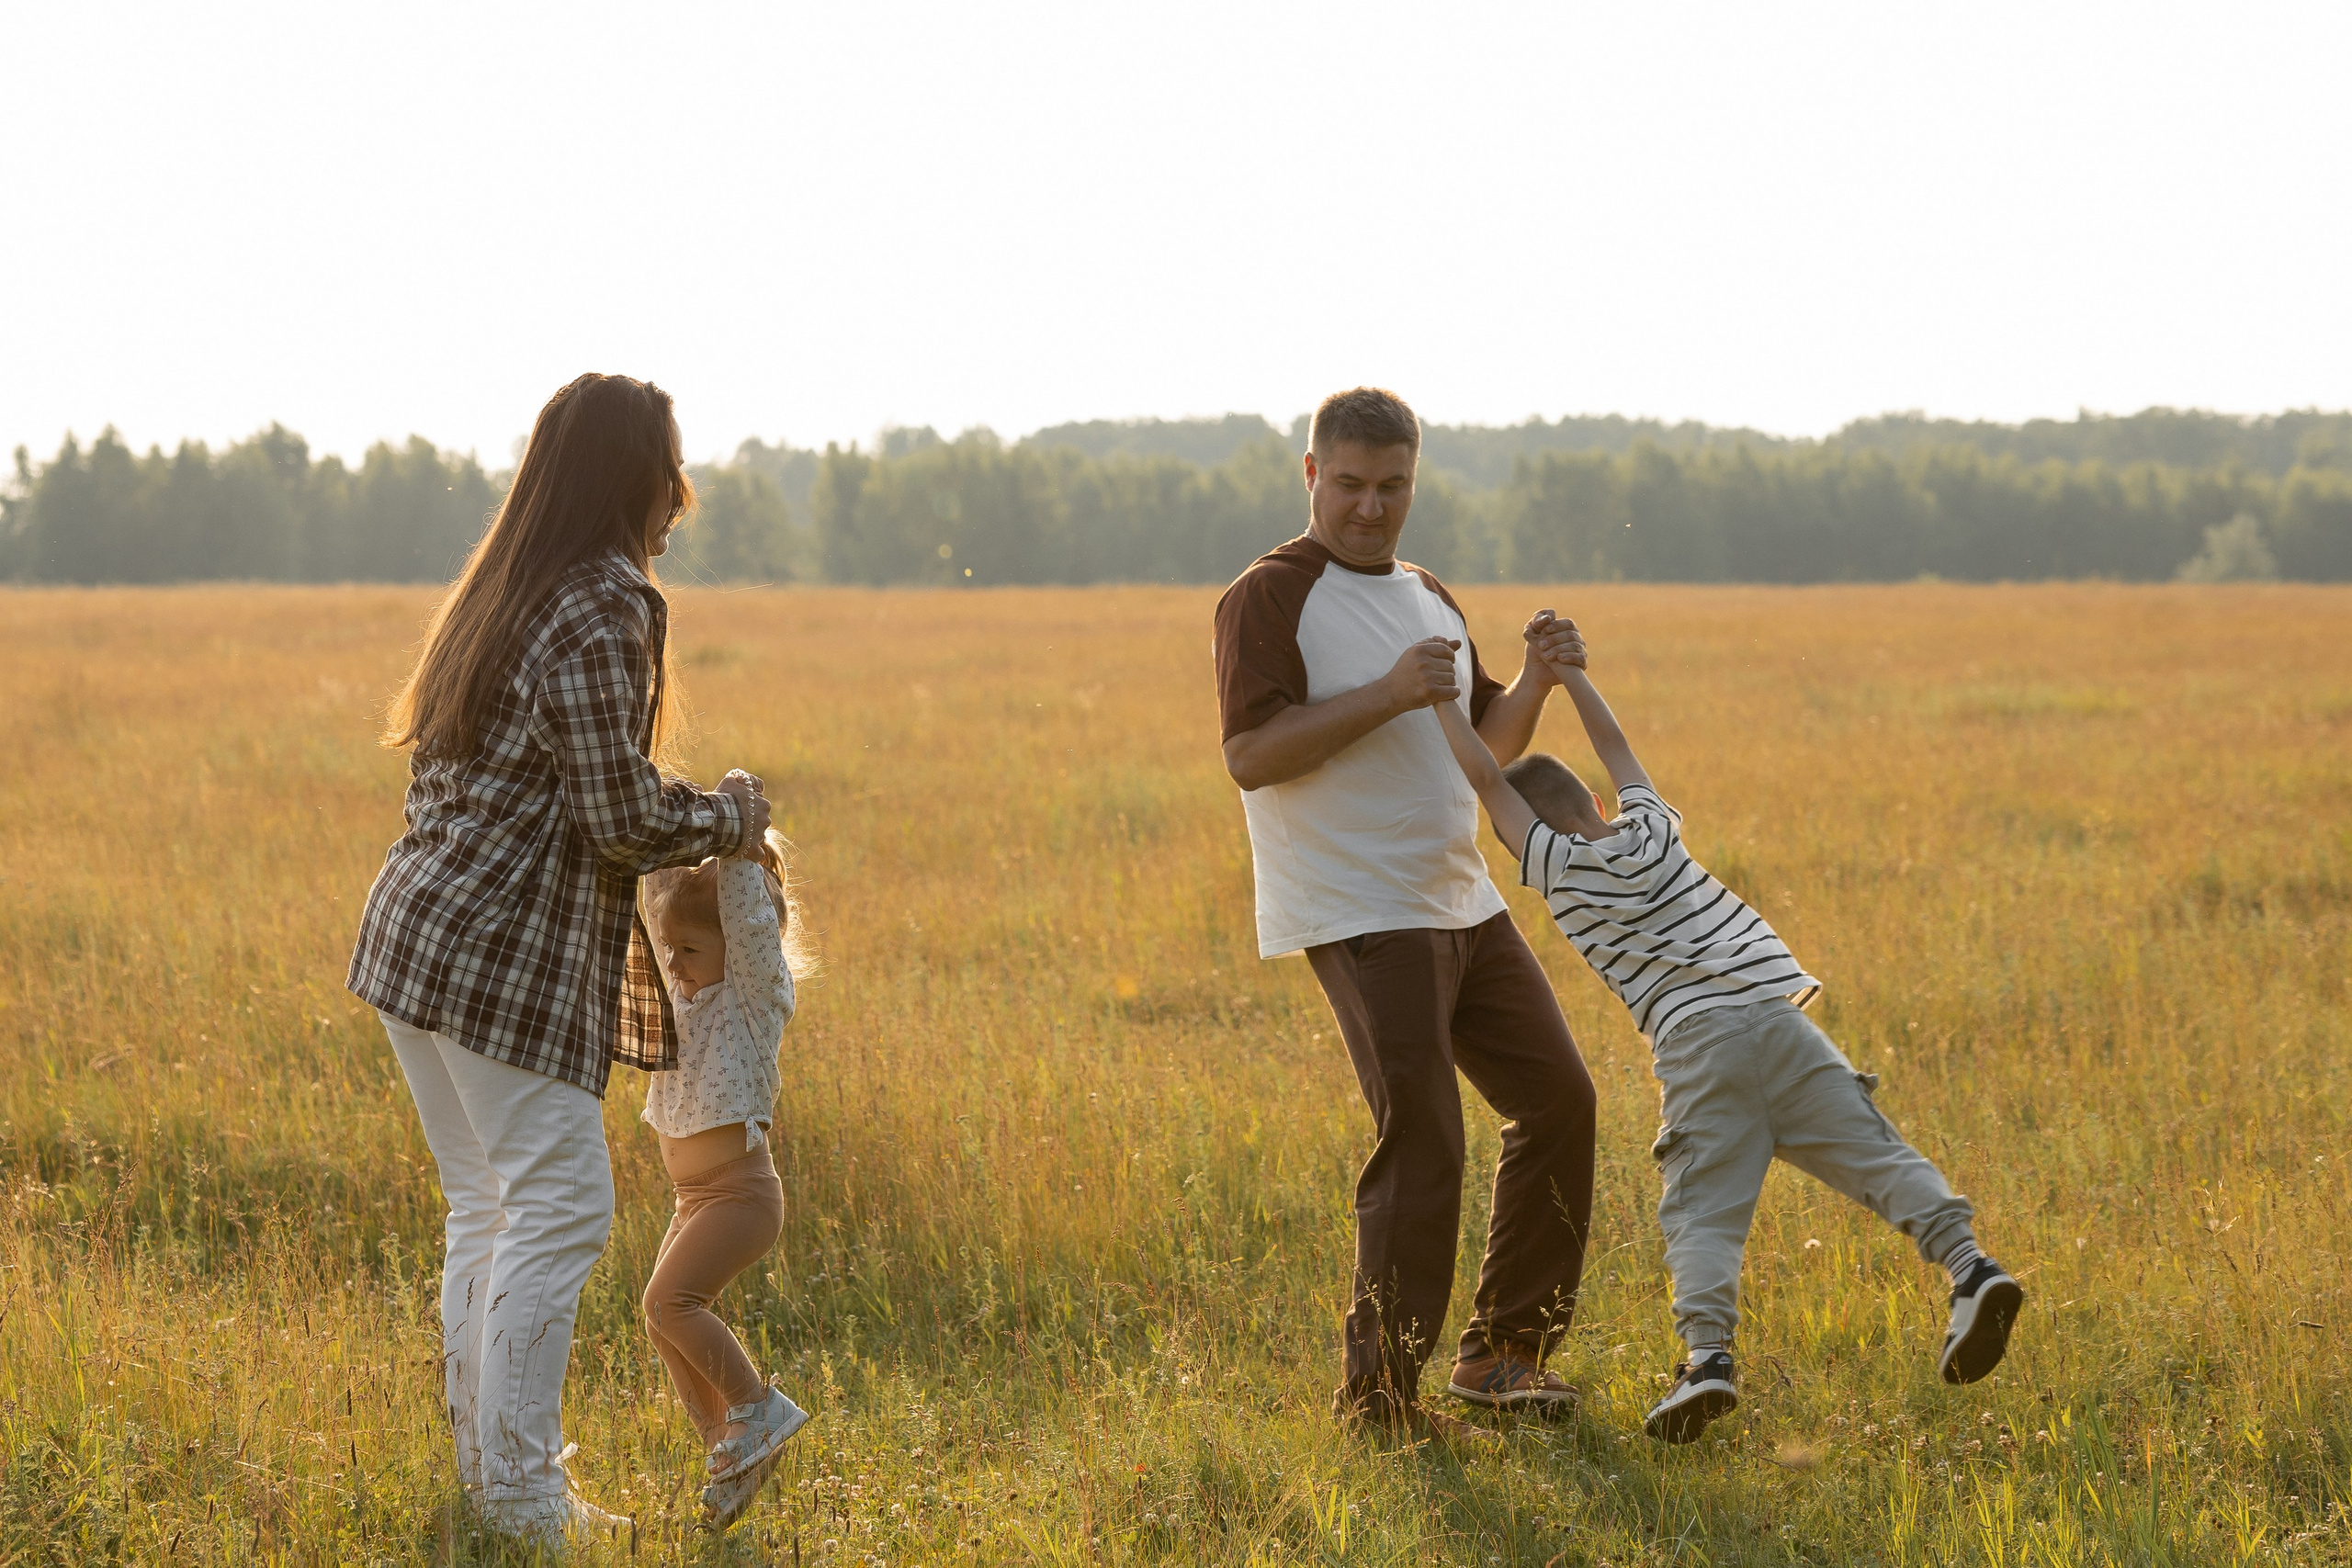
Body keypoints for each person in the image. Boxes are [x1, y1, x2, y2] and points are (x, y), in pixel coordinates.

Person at [348, 372, 772, 1547]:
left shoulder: (507, 586)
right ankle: (526, 1505)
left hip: (418, 933)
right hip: (497, 952)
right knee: (560, 1206)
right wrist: (735, 816)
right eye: (672, 461)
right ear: (640, 476)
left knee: (488, 1207)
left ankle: (499, 1491)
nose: (683, 490)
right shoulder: (603, 602)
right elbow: (618, 816)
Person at [1427, 614, 2024, 1444]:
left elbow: (1489, 783)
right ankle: (1970, 1266)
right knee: (1876, 1153)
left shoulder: (1561, 870)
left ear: (1523, 843)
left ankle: (1707, 1359)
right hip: (1781, 1017)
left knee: (1703, 1212)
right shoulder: (1654, 829)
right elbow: (1617, 743)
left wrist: (1437, 703)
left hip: (1700, 1049)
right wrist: (1568, 675)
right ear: (1597, 801)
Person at [1212, 386, 1597, 1439]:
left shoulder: (1429, 594)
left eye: (1391, 488)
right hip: (1359, 907)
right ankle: (1377, 1408)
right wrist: (1383, 693)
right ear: (1310, 476)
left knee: (1560, 1101)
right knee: (1423, 1137)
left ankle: (1502, 1356)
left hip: (1460, 898)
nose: (1370, 508)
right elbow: (1250, 756)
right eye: (1349, 485)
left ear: (1413, 482)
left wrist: (1540, 680)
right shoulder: (1269, 595)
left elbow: (1487, 745)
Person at [638, 831, 815, 1529]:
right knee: (660, 1317)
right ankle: (731, 1448)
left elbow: (745, 927)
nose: (673, 962)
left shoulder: (750, 1000)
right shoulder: (683, 1000)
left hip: (740, 1193)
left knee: (669, 1301)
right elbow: (657, 888)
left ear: (736, 951)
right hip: (695, 1198)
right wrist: (677, 824)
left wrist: (735, 838)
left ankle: (756, 1407)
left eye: (689, 949)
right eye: (670, 946)